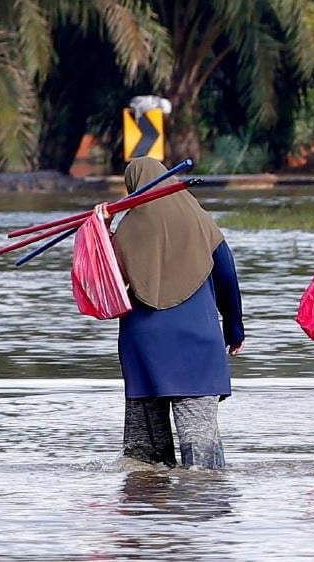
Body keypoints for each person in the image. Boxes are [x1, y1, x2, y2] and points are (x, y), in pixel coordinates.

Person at [109, 157, 245, 470]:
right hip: (198, 341)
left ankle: (149, 501)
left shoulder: (126, 229)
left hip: (143, 347)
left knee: (145, 459)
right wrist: (234, 330)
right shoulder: (200, 220)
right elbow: (227, 276)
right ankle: (199, 496)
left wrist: (102, 228)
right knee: (202, 458)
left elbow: (103, 280)